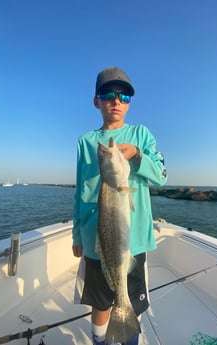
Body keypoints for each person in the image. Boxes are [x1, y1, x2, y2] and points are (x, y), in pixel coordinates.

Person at [72, 67, 168, 345]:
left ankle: (128, 339)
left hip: (133, 241)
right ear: (96, 101)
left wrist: (137, 156)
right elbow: (80, 191)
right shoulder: (85, 141)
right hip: (94, 240)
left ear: (129, 102)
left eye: (124, 95)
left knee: (130, 305)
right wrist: (77, 234)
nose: (116, 100)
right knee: (100, 304)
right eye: (108, 94)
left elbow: (161, 176)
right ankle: (99, 342)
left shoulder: (141, 134)